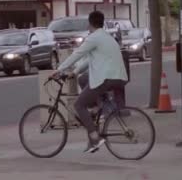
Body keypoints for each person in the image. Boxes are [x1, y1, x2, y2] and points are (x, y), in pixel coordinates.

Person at [53, 11, 128, 153]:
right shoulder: (108, 37)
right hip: (118, 78)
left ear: (90, 23)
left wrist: (59, 69)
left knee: (79, 104)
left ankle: (95, 138)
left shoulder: (93, 38)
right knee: (83, 80)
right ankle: (94, 116)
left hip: (106, 79)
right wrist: (75, 72)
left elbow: (78, 54)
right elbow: (89, 59)